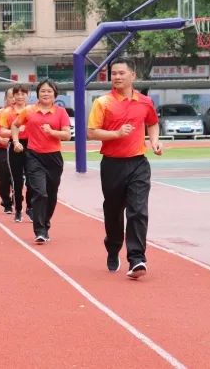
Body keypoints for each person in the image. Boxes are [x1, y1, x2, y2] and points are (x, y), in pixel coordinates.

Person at [87, 57, 162, 279]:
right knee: (113, 212)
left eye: (121, 73)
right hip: (112, 165)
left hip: (138, 162)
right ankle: (112, 247)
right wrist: (116, 134)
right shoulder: (103, 102)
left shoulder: (145, 102)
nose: (117, 77)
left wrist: (154, 141)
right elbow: (92, 132)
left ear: (132, 76)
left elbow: (152, 123)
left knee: (138, 211)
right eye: (114, 73)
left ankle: (137, 259)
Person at [11, 80, 71, 244]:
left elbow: (67, 136)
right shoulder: (29, 111)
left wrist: (52, 132)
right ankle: (40, 230)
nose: (46, 94)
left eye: (49, 91)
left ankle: (45, 222)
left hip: (54, 158)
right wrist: (16, 142)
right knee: (40, 193)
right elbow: (15, 125)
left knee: (51, 195)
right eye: (43, 91)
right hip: (34, 156)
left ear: (55, 94)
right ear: (37, 93)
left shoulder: (61, 112)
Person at [0, 83, 33, 223]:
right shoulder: (7, 112)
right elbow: (2, 131)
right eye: (16, 94)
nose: (19, 96)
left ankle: (30, 207)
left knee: (32, 179)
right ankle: (18, 209)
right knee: (17, 181)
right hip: (15, 146)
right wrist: (19, 131)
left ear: (28, 95)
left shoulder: (32, 110)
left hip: (32, 146)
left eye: (22, 93)